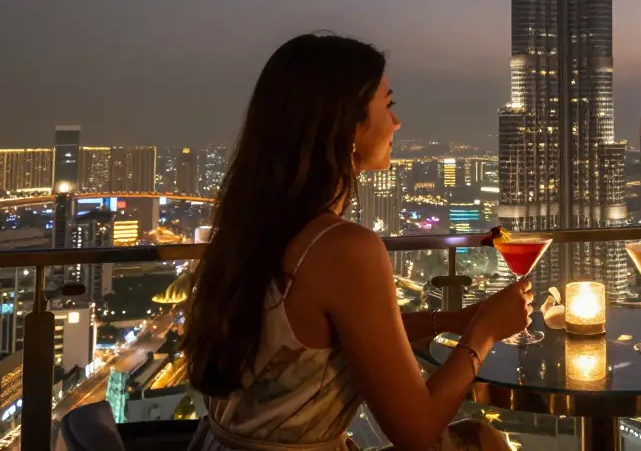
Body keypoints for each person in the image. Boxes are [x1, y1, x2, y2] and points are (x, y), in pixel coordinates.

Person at [183, 33, 532, 451]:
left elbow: (340, 336)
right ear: (347, 124)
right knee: (482, 442)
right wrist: (484, 334)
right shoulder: (342, 248)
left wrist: (456, 321)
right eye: (388, 105)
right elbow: (416, 433)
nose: (397, 123)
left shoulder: (252, 227)